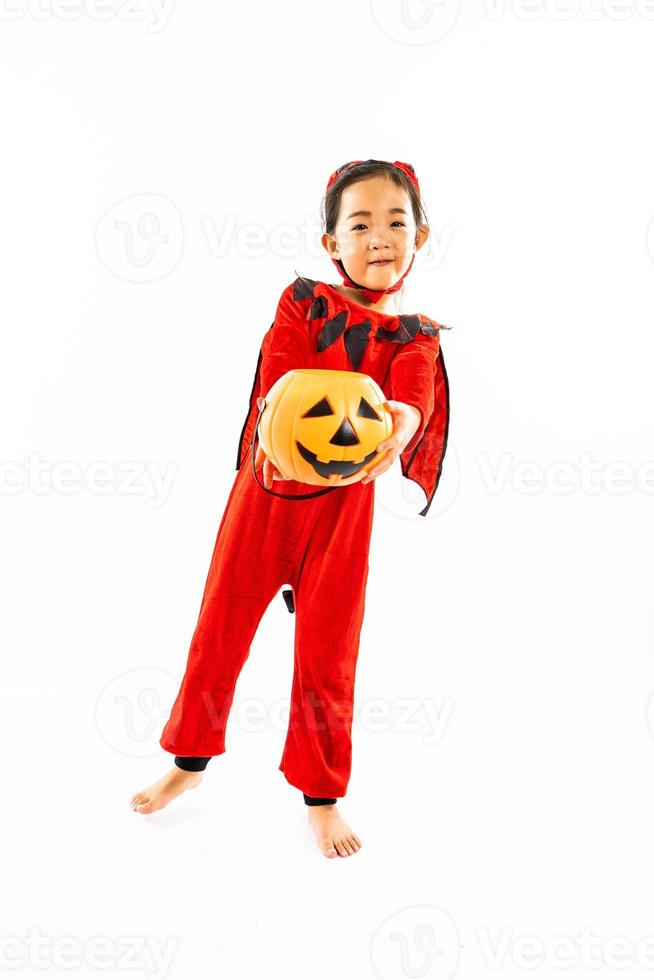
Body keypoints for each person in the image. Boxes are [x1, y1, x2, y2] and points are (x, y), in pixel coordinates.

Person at [129, 159, 451, 859]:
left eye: (396, 223)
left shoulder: (413, 336)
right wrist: (281, 416)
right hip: (266, 494)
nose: (379, 238)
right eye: (359, 224)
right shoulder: (305, 301)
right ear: (332, 242)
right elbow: (280, 373)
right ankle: (187, 763)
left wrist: (398, 425)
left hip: (343, 513)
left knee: (329, 652)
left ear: (421, 237)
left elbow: (411, 398)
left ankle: (322, 796)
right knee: (220, 625)